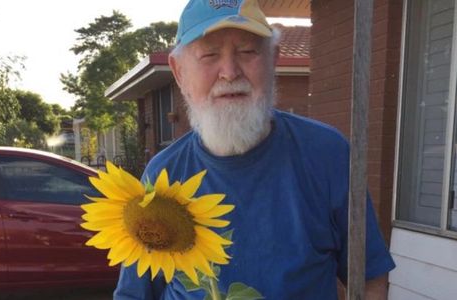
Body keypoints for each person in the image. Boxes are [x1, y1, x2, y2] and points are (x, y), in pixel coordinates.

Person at [114, 0, 395, 299]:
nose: (230, 72)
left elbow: (369, 277)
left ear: (273, 59)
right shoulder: (162, 175)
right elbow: (135, 293)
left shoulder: (328, 154)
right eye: (209, 54)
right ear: (179, 72)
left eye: (247, 51)